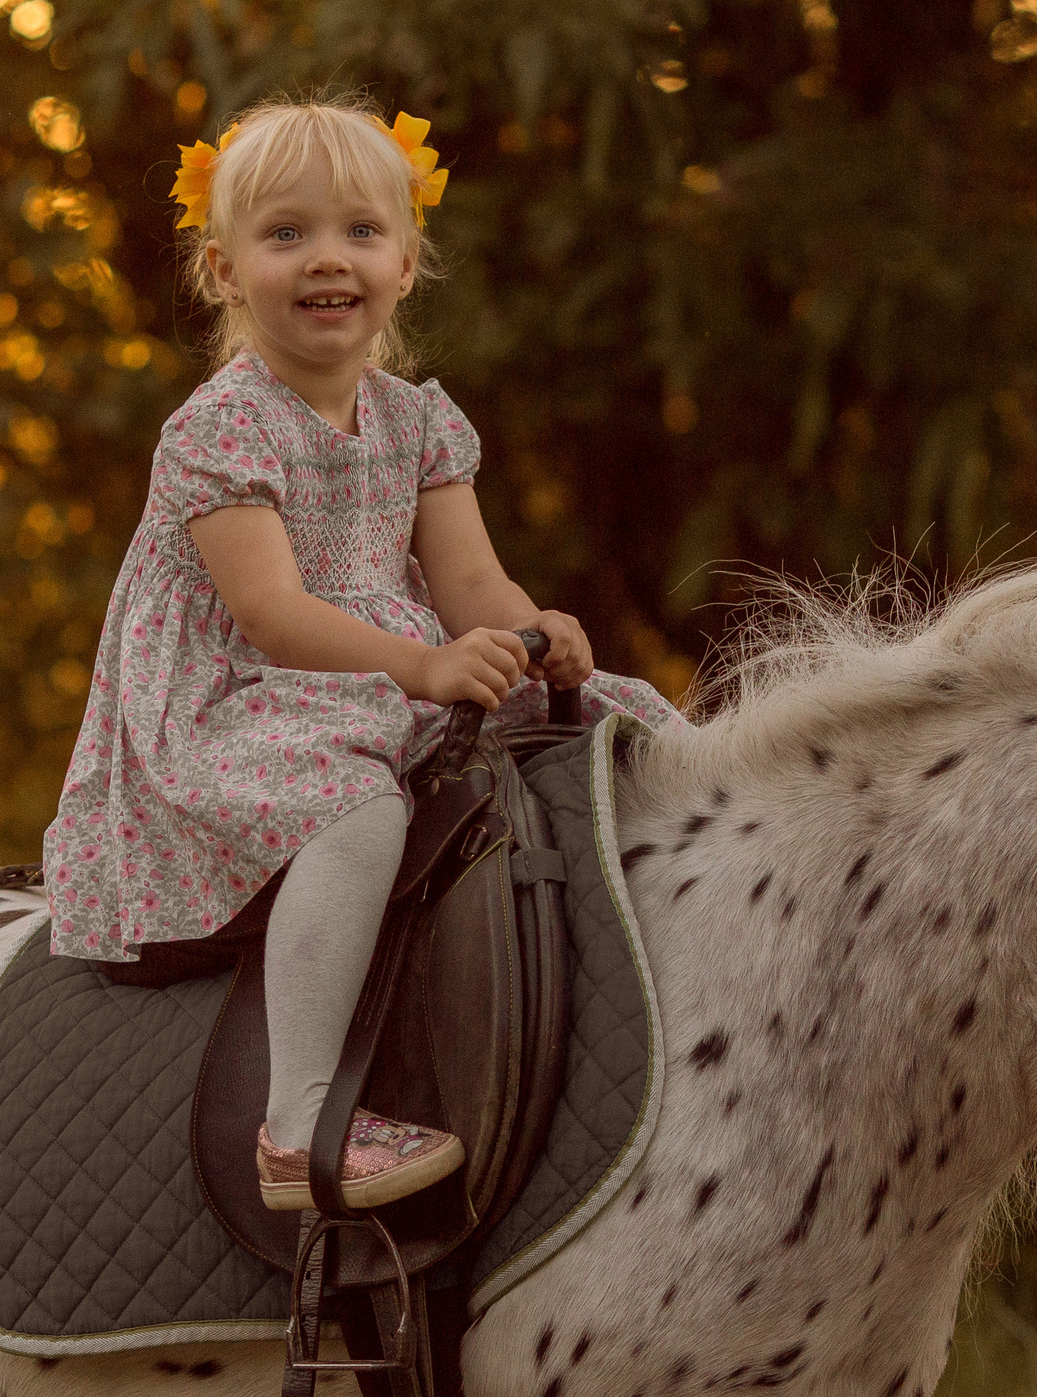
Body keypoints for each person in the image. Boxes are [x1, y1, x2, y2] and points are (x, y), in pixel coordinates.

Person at [44, 96, 682, 1213]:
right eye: (285, 235)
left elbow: (469, 585)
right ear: (225, 270)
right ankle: (298, 1131)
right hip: (238, 703)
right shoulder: (220, 431)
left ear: (404, 260)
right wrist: (426, 667)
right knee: (355, 812)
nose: (326, 260)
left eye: (358, 233)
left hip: (375, 677)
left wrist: (535, 632)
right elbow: (273, 616)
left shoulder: (418, 421)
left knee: (621, 728)